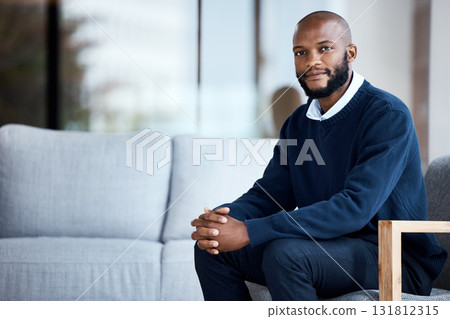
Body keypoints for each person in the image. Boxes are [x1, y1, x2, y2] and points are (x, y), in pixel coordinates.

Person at [191, 10, 447, 301]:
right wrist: (223, 222)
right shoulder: (299, 123)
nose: (312, 61)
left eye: (325, 48)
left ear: (350, 52)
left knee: (286, 255)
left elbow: (355, 207)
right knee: (213, 249)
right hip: (326, 246)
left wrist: (251, 230)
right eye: (301, 52)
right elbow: (270, 194)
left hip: (393, 257)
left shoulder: (386, 115)